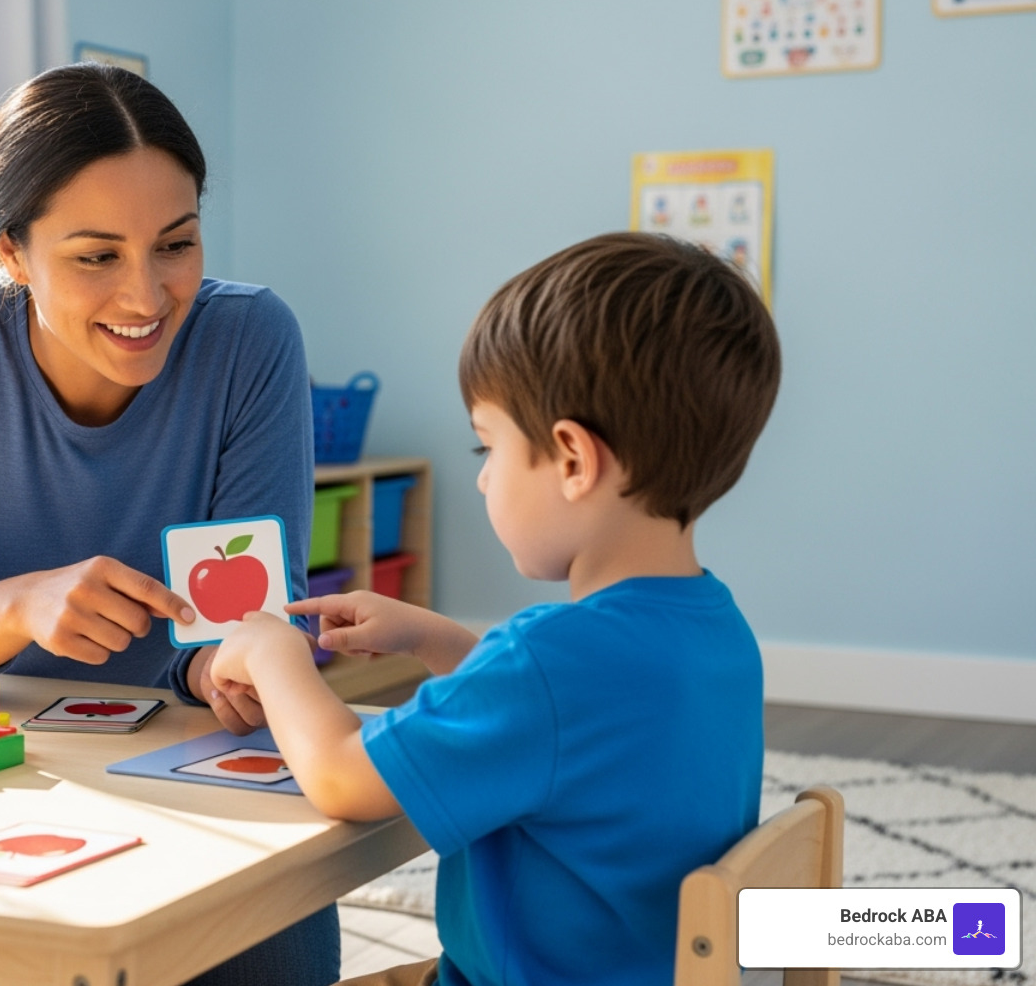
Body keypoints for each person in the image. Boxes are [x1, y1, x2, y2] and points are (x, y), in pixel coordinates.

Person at [0, 63, 338, 986]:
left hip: (196, 770)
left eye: (176, 244)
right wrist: (20, 604)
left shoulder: (250, 338)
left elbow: (249, 624)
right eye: (96, 255)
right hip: (4, 777)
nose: (147, 298)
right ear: (12, 252)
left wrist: (223, 663)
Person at [210, 232, 783, 986]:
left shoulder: (548, 658)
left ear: (573, 460)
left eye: (489, 450)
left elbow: (346, 780)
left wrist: (271, 651)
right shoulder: (717, 632)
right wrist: (432, 637)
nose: (483, 482)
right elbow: (577, 728)